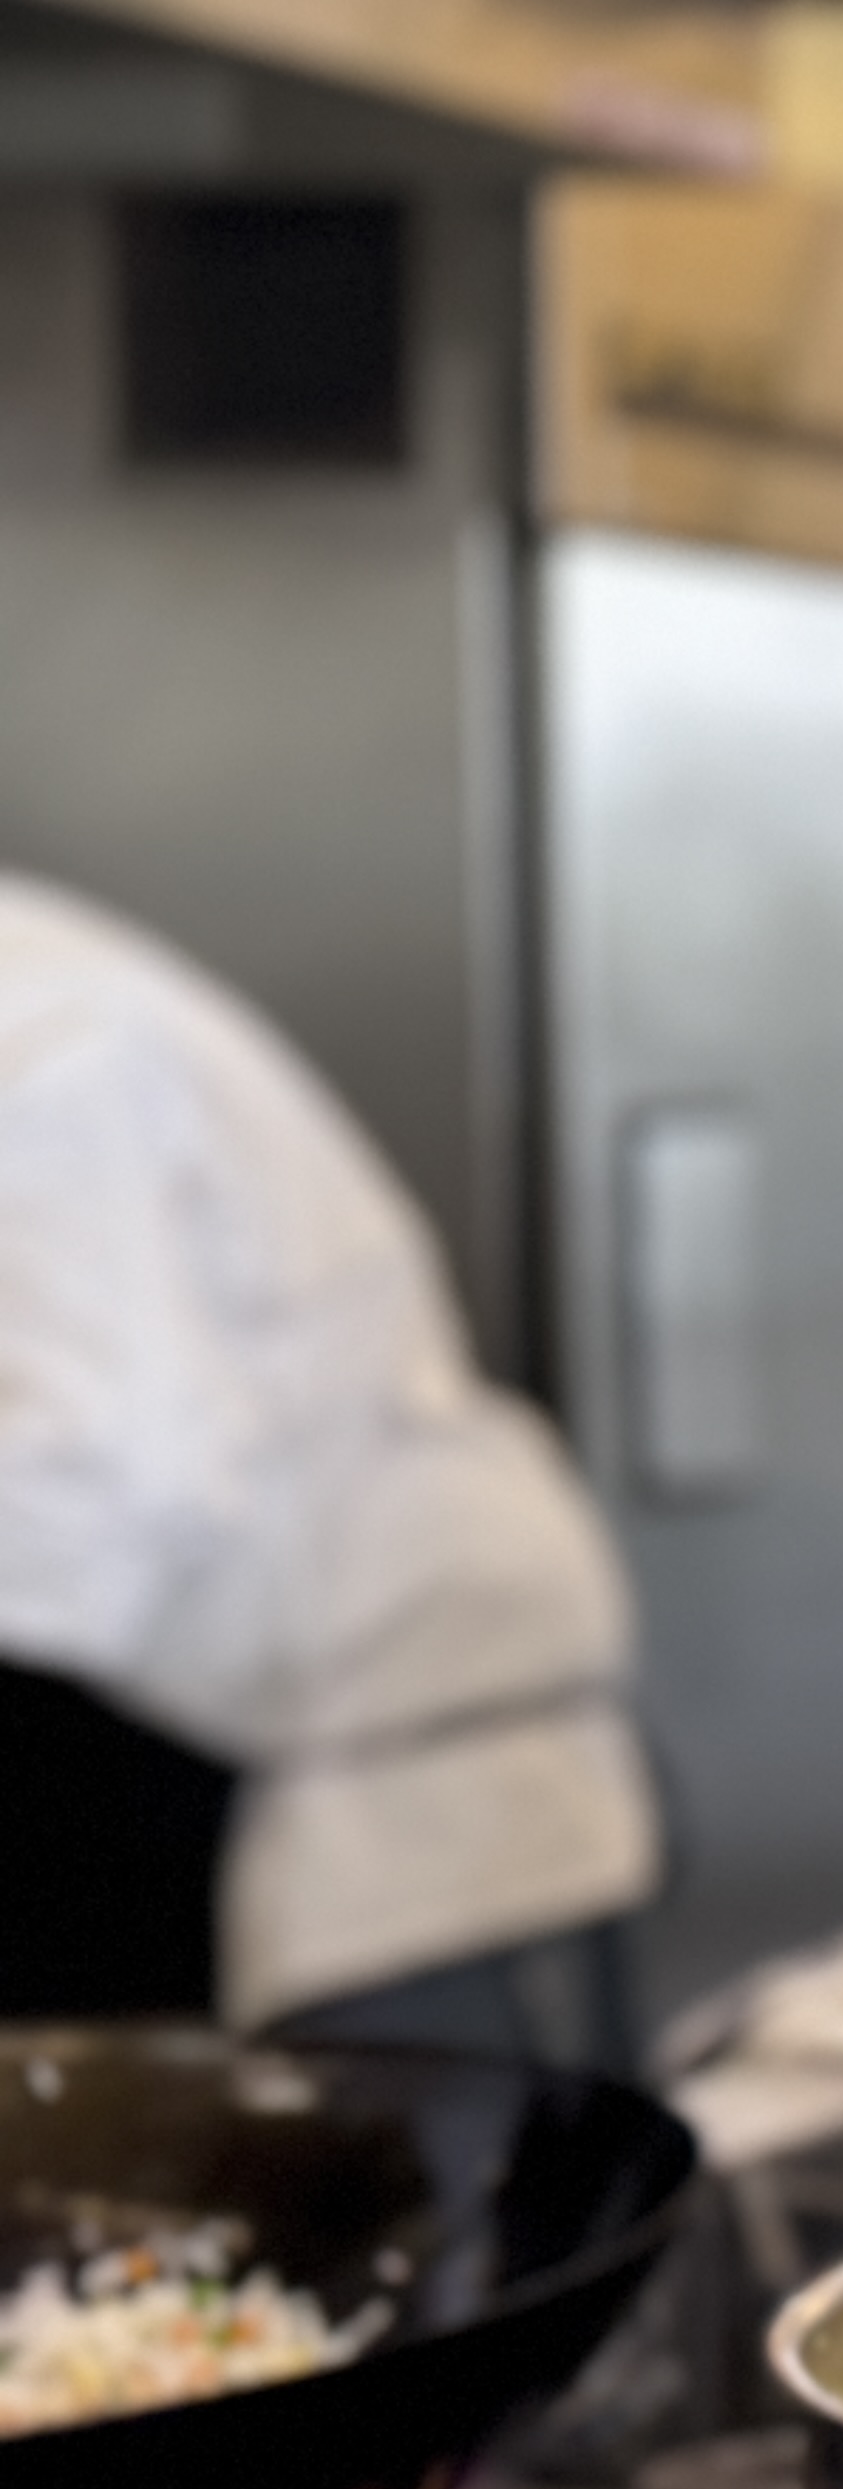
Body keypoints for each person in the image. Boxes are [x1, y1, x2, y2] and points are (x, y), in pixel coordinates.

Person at [0, 871, 654, 2048]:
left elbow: (85, 1508)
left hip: (368, 1800)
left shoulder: (37, 1033)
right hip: (155, 1765)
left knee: (370, 2209)